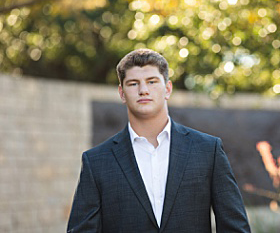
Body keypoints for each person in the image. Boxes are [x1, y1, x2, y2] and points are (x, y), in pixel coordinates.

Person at [66, 48, 250, 233]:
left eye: (152, 81)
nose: (143, 90)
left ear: (167, 89)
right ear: (122, 93)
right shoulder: (96, 161)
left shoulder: (208, 150)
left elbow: (235, 228)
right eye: (133, 84)